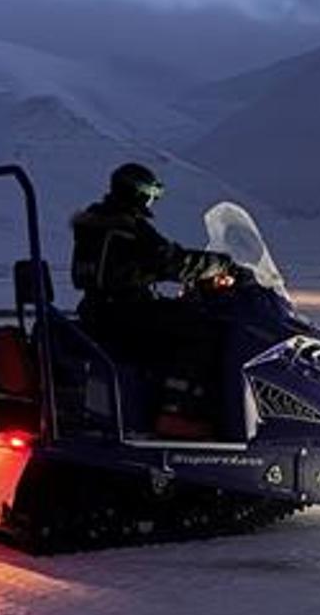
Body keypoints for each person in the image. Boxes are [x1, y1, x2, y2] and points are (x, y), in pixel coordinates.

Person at [69, 162, 233, 434]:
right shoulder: (127, 228)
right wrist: (221, 265)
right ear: (139, 193)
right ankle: (176, 410)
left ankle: (162, 403)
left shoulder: (94, 224)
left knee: (177, 317)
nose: (151, 201)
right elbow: (172, 260)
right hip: (127, 311)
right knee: (203, 331)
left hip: (97, 309)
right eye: (151, 195)